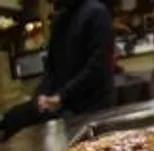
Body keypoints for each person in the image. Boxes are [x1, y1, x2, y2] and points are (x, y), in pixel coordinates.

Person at [0, 0, 114, 141]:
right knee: (13, 119)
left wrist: (61, 96)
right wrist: (42, 95)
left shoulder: (97, 12)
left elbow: (97, 68)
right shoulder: (60, 20)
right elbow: (51, 67)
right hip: (66, 110)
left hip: (93, 109)